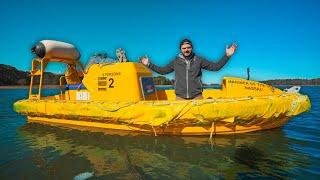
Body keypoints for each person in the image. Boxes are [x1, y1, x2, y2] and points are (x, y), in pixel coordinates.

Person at [140, 39, 237, 100]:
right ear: (180, 49)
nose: (186, 50)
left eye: (188, 47)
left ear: (192, 48)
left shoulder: (199, 60)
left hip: (197, 97)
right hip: (180, 98)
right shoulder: (175, 61)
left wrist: (227, 56)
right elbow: (162, 71)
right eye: (184, 48)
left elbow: (216, 67)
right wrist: (148, 64)